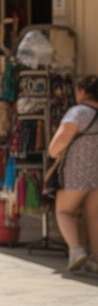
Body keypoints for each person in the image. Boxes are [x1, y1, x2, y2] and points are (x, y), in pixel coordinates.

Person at [47, 75, 98, 271]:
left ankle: (76, 249)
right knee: (94, 215)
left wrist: (52, 152)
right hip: (96, 173)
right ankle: (95, 258)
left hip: (76, 172)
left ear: (83, 91)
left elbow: (59, 142)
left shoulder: (78, 112)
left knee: (63, 210)